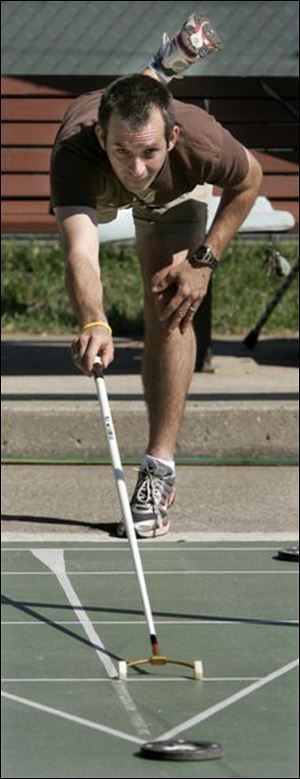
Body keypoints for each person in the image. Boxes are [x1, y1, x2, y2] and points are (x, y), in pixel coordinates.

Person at [50, 11, 262, 538]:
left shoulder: (198, 142)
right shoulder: (79, 150)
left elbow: (249, 181)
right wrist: (94, 321)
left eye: (148, 151)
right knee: (128, 120)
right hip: (101, 184)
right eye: (122, 150)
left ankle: (159, 470)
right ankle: (159, 69)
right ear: (101, 137)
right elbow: (81, 250)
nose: (136, 166)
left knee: (172, 306)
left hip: (177, 191)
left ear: (170, 138)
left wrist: (204, 261)